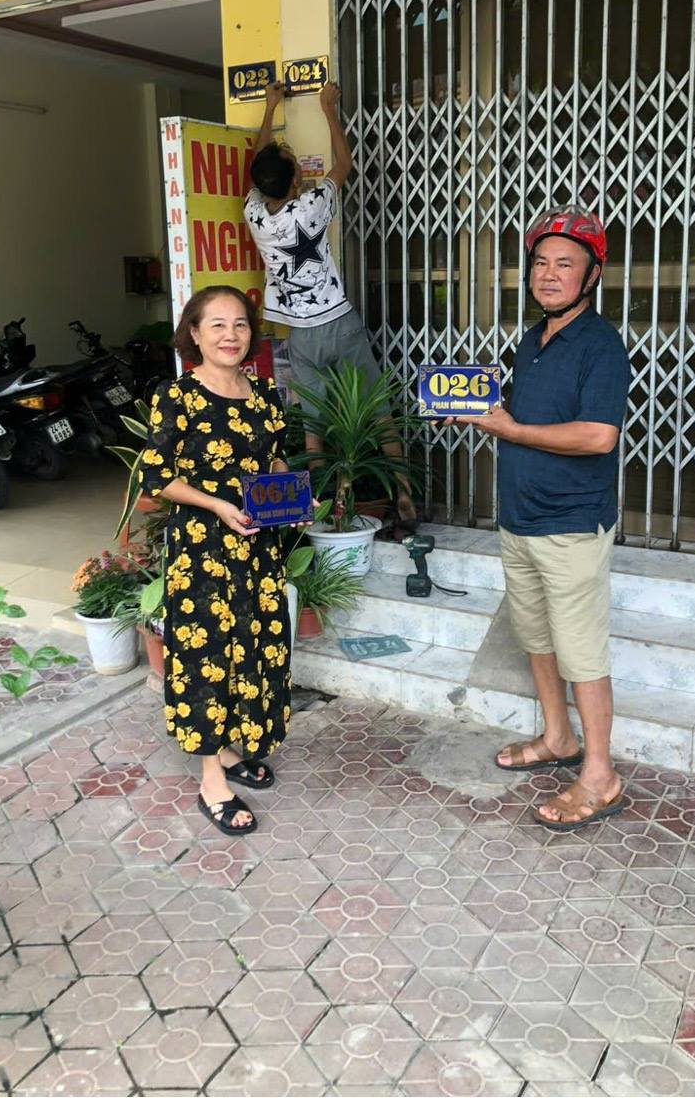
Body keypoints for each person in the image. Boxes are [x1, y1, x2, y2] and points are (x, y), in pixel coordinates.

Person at [443, 205, 630, 832]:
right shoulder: (533, 339)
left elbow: (599, 436)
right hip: (520, 519)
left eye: (565, 264)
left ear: (592, 275)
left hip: (571, 525)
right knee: (537, 640)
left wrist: (513, 429)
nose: (549, 275)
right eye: (541, 262)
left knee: (582, 654)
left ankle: (600, 775)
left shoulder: (600, 345)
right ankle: (557, 737)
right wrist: (475, 407)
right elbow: (521, 416)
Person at [138, 285, 292, 835]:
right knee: (208, 655)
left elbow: (274, 459)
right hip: (204, 551)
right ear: (195, 334)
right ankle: (211, 780)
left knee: (253, 647)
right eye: (218, 325)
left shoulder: (265, 394)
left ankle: (229, 748)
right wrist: (218, 505)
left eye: (241, 324)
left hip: (257, 547)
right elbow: (159, 476)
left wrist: (287, 494)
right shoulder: (177, 396)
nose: (231, 335)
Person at [244, 80, 418, 532]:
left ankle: (321, 507)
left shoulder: (255, 215)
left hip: (300, 333)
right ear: (295, 179)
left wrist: (269, 108)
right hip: (339, 323)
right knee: (377, 408)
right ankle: (402, 492)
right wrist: (327, 108)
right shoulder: (311, 207)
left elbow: (257, 166)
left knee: (314, 425)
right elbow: (345, 164)